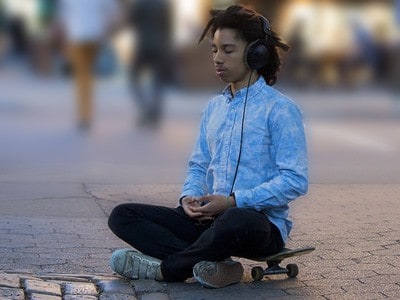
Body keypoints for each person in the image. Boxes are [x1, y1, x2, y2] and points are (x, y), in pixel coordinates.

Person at [108, 5, 308, 288]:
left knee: (236, 219)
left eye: (228, 50)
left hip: (256, 226)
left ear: (256, 53)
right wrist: (188, 199)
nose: (218, 58)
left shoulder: (281, 110)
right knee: (123, 216)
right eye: (214, 50)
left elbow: (295, 180)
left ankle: (168, 268)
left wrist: (233, 201)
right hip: (208, 222)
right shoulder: (214, 108)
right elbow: (198, 165)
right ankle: (213, 265)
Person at [58, 0, 120, 131]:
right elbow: (114, 14)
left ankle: (84, 117)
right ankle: (87, 115)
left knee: (82, 77)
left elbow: (63, 16)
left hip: (77, 35)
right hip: (96, 36)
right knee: (89, 75)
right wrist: (105, 28)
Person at [127, 0, 173, 128]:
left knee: (133, 77)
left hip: (143, 45)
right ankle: (154, 113)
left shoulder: (140, 4)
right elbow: (168, 26)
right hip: (160, 46)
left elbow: (131, 21)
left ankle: (146, 110)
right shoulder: (162, 4)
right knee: (157, 81)